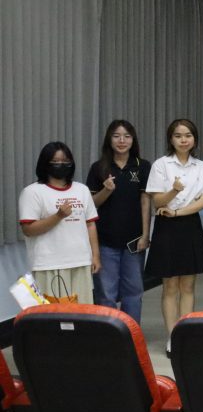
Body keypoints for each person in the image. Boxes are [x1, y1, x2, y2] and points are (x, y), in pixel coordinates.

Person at [145, 119, 203, 356]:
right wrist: (174, 190)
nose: (183, 140)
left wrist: (177, 212)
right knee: (170, 285)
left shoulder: (200, 166)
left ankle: (185, 334)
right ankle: (172, 337)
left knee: (188, 285)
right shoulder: (161, 165)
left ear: (194, 139)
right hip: (166, 227)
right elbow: (157, 201)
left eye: (188, 135)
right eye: (178, 136)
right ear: (171, 139)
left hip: (189, 224)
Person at [19, 142, 100, 306]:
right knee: (54, 313)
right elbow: (28, 229)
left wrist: (95, 255)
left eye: (65, 161)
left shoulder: (82, 190)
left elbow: (90, 224)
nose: (61, 165)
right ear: (45, 164)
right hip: (49, 263)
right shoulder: (32, 192)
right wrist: (58, 216)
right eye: (55, 162)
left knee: (83, 311)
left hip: (80, 261)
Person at [86, 120, 150, 322]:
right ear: (109, 139)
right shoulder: (98, 167)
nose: (122, 140)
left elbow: (145, 202)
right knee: (106, 293)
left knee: (134, 291)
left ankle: (132, 333)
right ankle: (110, 334)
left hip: (134, 241)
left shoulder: (142, 166)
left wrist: (145, 235)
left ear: (133, 140)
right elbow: (91, 204)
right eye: (116, 136)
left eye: (127, 136)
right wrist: (106, 190)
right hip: (106, 241)